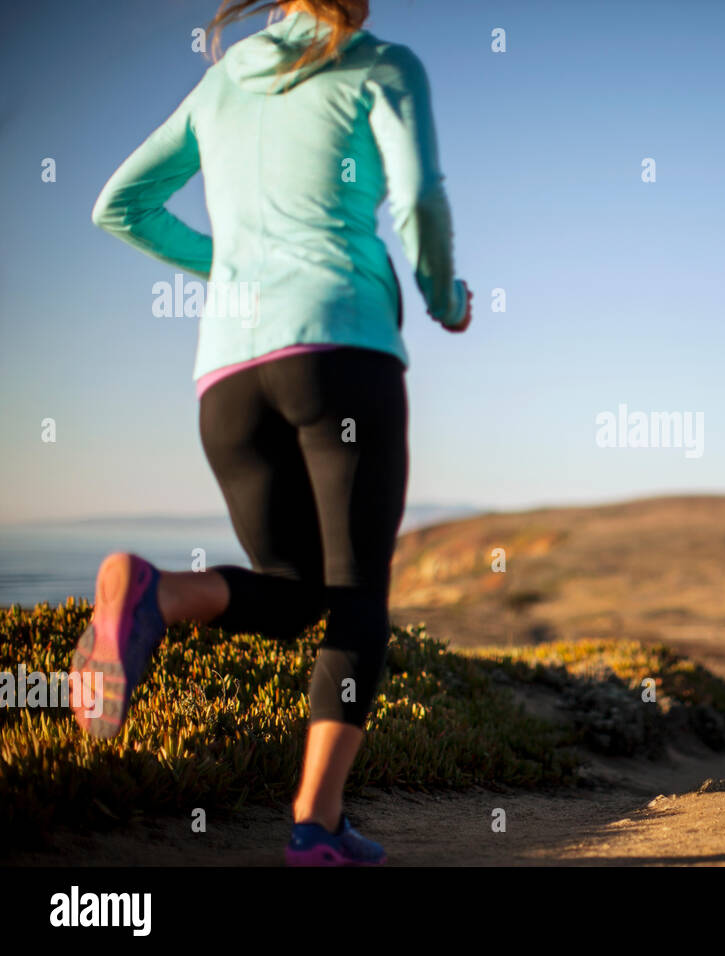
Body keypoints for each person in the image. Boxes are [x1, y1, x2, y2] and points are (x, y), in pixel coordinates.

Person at [76, 0, 471, 865]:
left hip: (227, 379)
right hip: (339, 349)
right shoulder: (381, 63)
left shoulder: (221, 81)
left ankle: (157, 594)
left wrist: (233, 272)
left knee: (295, 596)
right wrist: (446, 300)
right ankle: (315, 827)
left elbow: (119, 205)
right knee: (359, 595)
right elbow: (419, 198)